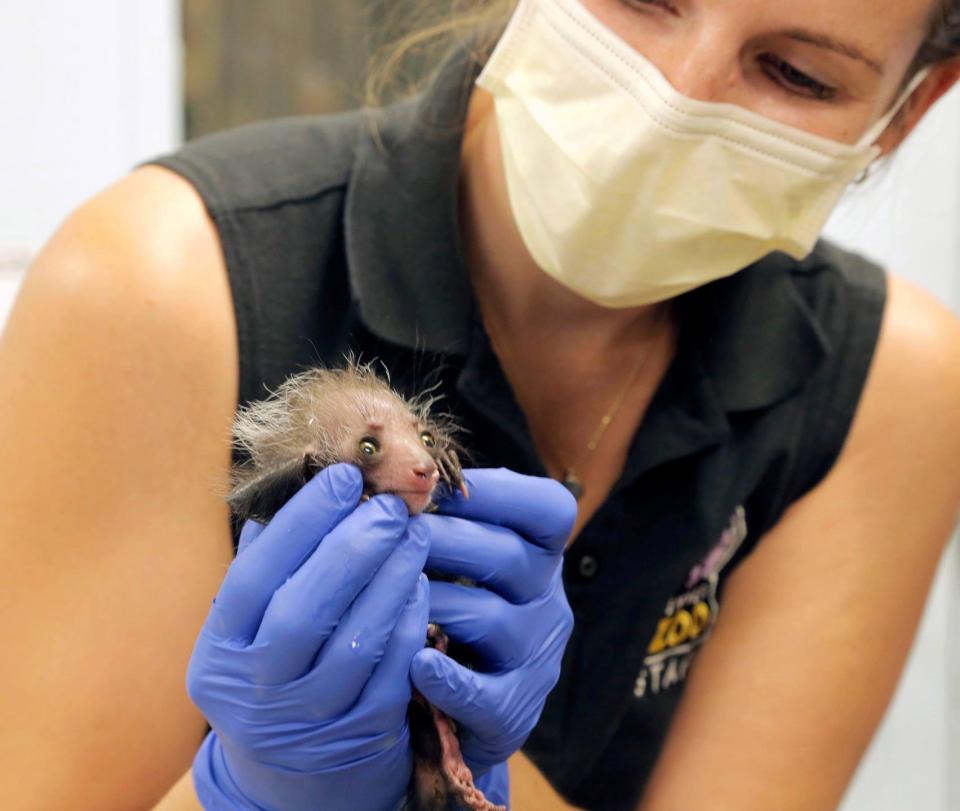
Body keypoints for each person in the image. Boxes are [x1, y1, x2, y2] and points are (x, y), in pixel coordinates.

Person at [3, 0, 960, 808]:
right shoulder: (160, 282)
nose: (674, 98)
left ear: (910, 107)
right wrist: (247, 791)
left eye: (796, 74)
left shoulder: (887, 385)